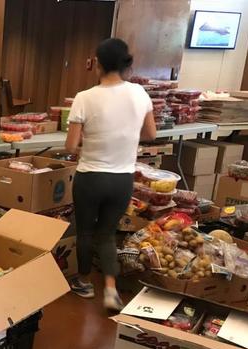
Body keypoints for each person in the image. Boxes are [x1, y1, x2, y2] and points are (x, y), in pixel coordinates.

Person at [65, 38, 156, 310]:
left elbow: (70, 146)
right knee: (106, 234)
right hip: (122, 179)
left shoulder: (85, 97)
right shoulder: (140, 93)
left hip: (90, 177)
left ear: (98, 63)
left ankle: (82, 281)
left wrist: (86, 146)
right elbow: (150, 134)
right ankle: (110, 289)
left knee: (84, 232)